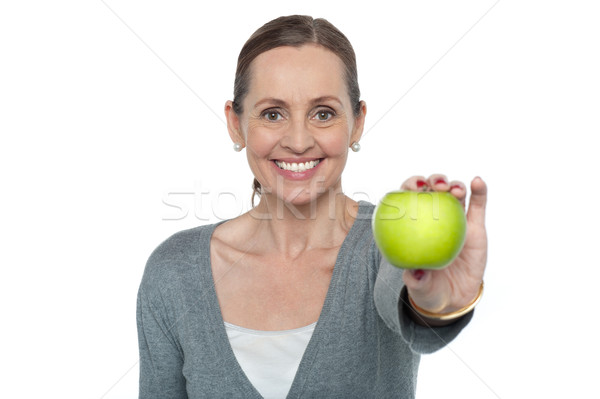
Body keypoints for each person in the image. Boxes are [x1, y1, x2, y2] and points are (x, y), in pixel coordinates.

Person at [136, 14, 488, 399]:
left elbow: (417, 302)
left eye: (323, 113)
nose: (299, 141)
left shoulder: (382, 250)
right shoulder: (174, 272)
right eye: (273, 113)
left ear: (357, 122)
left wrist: (441, 299)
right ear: (236, 124)